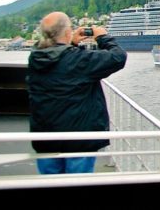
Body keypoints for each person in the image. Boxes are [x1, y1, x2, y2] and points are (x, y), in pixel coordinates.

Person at [27, 12, 127, 174]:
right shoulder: (79, 60)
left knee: (49, 187)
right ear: (67, 32)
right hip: (78, 140)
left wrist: (70, 43)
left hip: (46, 138)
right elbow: (118, 57)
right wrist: (103, 37)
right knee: (77, 189)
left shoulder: (35, 58)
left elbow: (58, 57)